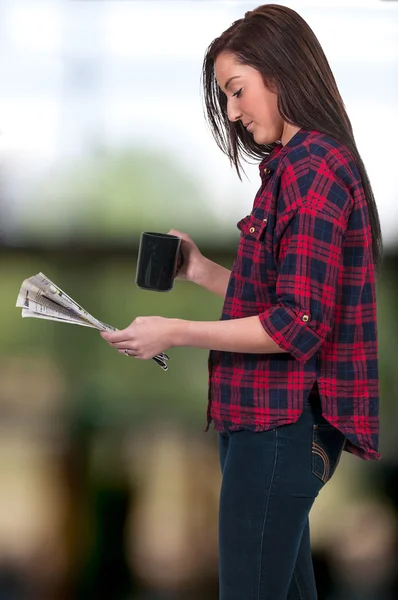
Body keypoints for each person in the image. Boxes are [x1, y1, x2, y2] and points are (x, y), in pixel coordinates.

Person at [100, 4, 382, 599]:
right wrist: (201, 271)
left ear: (279, 73)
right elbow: (283, 302)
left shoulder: (314, 170)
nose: (232, 111)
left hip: (280, 425)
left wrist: (174, 331)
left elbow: (294, 326)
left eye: (237, 90)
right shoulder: (295, 169)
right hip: (266, 424)